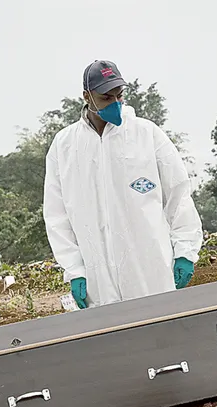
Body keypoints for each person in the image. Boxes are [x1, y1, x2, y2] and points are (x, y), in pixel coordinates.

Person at [43, 60, 203, 309]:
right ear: (87, 96)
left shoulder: (146, 134)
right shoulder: (64, 146)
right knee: (114, 342)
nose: (115, 104)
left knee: (162, 332)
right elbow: (56, 215)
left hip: (151, 270)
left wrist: (185, 252)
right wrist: (74, 270)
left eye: (120, 96)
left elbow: (179, 195)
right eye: (106, 97)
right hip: (98, 278)